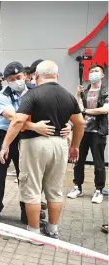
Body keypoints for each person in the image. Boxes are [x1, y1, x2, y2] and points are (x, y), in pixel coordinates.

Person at [0, 60, 85, 239]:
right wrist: (75, 146)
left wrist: (5, 145)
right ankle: (53, 229)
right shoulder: (68, 96)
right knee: (55, 190)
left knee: (32, 188)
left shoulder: (32, 95)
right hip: (60, 145)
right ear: (57, 76)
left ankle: (34, 232)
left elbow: (17, 121)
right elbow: (79, 123)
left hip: (34, 145)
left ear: (36, 76)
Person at [0, 61, 71, 223]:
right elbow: (13, 118)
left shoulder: (36, 92)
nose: (16, 81)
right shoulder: (1, 96)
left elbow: (51, 111)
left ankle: (27, 211)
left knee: (26, 176)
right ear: (6, 80)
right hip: (4, 136)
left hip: (27, 138)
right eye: (11, 79)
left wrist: (66, 126)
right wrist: (34, 126)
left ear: (25, 76)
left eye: (18, 77)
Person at [67, 64, 108, 203]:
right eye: (91, 71)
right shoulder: (85, 90)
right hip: (83, 130)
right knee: (78, 160)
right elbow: (77, 108)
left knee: (98, 162)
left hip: (98, 131)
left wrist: (86, 111)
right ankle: (77, 187)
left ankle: (98, 190)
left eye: (96, 71)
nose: (93, 73)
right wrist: (78, 95)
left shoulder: (106, 91)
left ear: (102, 75)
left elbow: (105, 109)